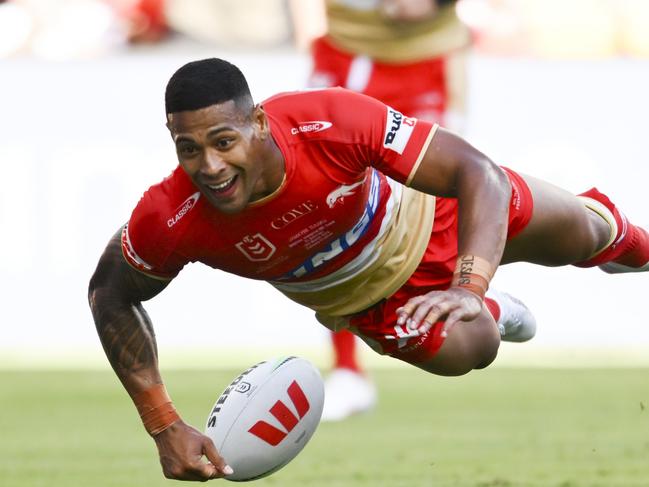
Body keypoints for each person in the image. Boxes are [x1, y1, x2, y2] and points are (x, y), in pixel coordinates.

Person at [88, 58, 648, 481]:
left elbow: (480, 174)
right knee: (472, 349)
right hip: (375, 302)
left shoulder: (325, 119)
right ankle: (494, 314)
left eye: (224, 141)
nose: (209, 166)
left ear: (258, 122)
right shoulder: (170, 215)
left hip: (432, 213)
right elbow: (109, 292)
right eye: (189, 150)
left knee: (589, 231)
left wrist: (469, 284)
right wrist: (163, 424)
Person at [295, 0, 472, 420]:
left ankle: (481, 301)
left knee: (435, 206)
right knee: (325, 228)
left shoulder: (439, 48)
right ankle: (348, 370)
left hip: (420, 76)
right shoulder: (336, 42)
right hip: (345, 66)